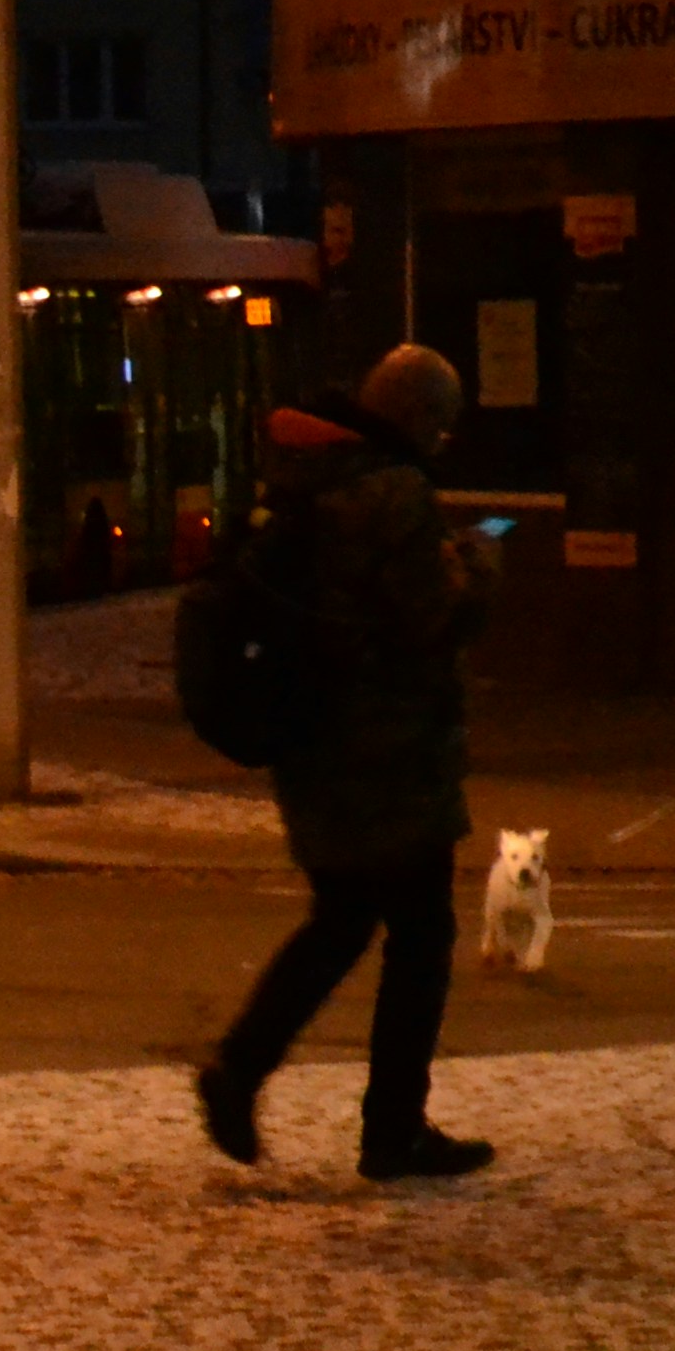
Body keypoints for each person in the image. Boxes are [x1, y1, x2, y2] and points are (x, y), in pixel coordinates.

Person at [197, 343, 498, 1181]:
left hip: (316, 742)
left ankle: (242, 1069)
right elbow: (427, 619)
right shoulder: (392, 494)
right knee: (422, 935)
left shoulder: (311, 477)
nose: (443, 441)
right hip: (390, 754)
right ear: (417, 418)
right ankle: (391, 1130)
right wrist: (475, 567)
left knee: (342, 919)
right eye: (440, 423)